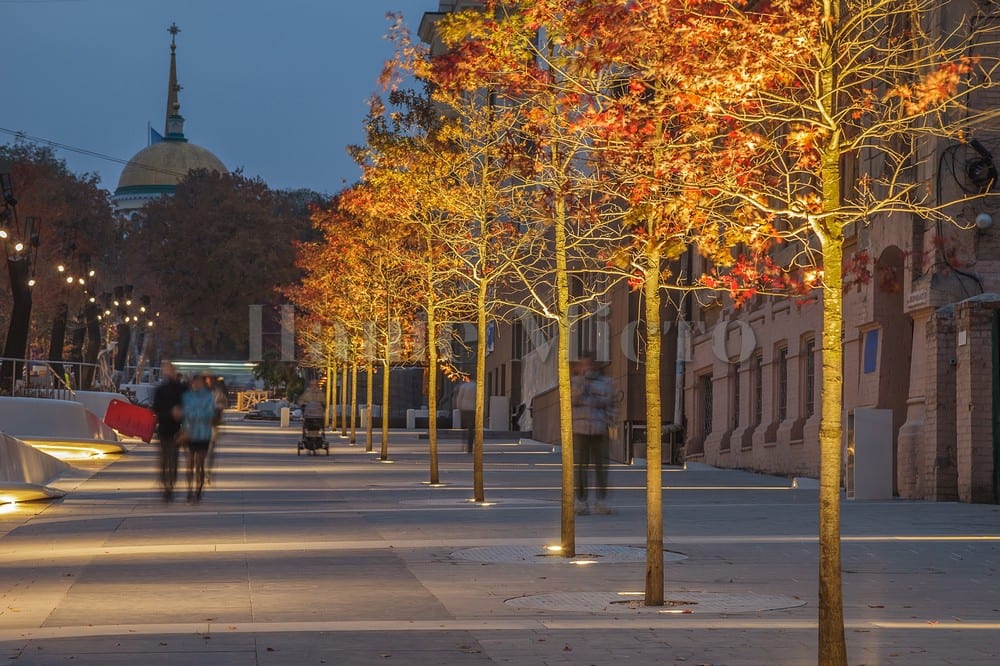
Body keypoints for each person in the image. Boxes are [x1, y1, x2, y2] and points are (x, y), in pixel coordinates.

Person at [571, 353, 616, 515]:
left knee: (601, 468)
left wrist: (610, 421)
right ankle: (581, 501)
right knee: (580, 468)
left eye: (589, 365)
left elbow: (611, 404)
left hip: (600, 430)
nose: (587, 368)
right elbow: (572, 401)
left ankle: (601, 501)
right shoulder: (575, 382)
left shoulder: (606, 383)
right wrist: (583, 384)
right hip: (580, 431)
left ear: (595, 366)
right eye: (583, 365)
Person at [152, 360, 186, 502]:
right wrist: (170, 413)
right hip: (164, 429)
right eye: (166, 370)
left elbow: (188, 406)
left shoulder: (182, 389)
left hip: (176, 429)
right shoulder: (160, 390)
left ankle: (170, 486)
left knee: (173, 460)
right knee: (165, 461)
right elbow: (155, 410)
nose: (168, 372)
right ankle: (166, 487)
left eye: (169, 369)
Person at [181, 373, 216, 503]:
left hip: (203, 434)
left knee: (200, 463)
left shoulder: (208, 397)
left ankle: (198, 490)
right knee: (189, 463)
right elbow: (184, 414)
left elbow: (210, 414)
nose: (196, 385)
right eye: (194, 383)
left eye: (199, 383)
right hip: (189, 433)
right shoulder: (187, 396)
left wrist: (193, 414)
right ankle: (189, 490)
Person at [454, 378, 476, 453]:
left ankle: (464, 444)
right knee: (471, 428)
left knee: (464, 427)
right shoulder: (476, 386)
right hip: (473, 409)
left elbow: (459, 397)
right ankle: (470, 445)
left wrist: (458, 406)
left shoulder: (463, 386)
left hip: (464, 408)